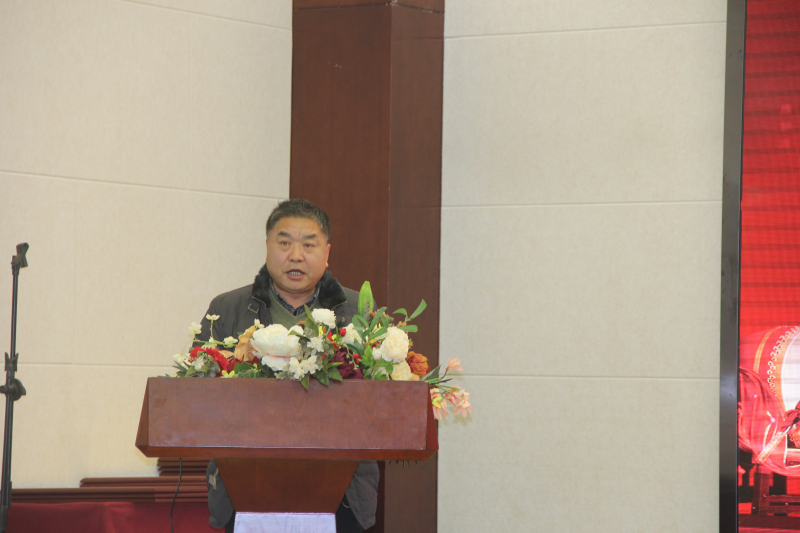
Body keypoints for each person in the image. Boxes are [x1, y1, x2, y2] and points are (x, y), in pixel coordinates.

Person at [198, 199, 379, 533]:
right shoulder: (227, 308)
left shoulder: (356, 310)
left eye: (308, 245)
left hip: (342, 491)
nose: (296, 255)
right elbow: (200, 394)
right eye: (284, 243)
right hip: (244, 486)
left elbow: (377, 400)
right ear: (268, 246)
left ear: (327, 252)